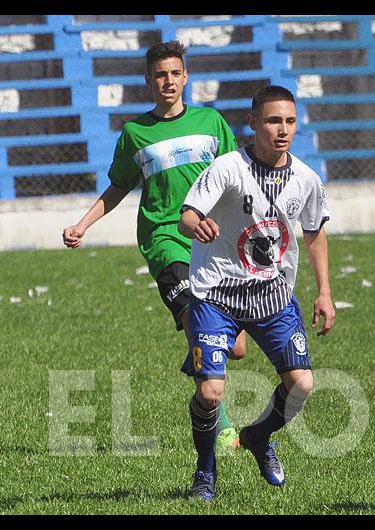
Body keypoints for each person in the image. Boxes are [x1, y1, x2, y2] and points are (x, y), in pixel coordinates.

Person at [62, 41, 247, 451]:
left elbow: (237, 181)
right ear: (148, 80)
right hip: (165, 240)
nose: (168, 81)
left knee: (235, 347)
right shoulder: (135, 133)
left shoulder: (211, 122)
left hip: (213, 240)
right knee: (197, 322)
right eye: (160, 74)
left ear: (185, 77)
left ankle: (197, 361)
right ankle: (221, 423)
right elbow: (118, 188)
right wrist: (82, 224)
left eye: (175, 73)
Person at [178, 84, 335, 501]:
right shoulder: (229, 168)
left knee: (302, 384)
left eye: (289, 121)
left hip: (272, 296)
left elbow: (315, 234)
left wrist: (324, 292)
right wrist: (197, 225)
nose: (282, 130)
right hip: (216, 294)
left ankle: (258, 437)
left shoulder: (306, 178)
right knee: (210, 392)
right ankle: (205, 471)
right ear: (253, 123)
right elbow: (188, 215)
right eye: (272, 120)